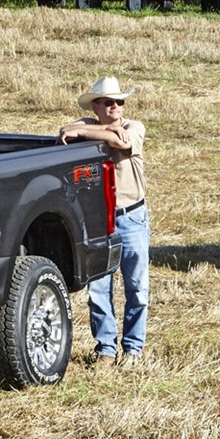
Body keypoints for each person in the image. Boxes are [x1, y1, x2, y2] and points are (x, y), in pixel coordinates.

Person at [60, 76, 148, 364]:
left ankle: (133, 349)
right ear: (96, 106)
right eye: (109, 102)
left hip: (131, 215)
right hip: (99, 220)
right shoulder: (87, 124)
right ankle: (106, 349)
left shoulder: (134, 127)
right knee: (98, 288)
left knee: (136, 286)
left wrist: (87, 131)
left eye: (119, 102)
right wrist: (90, 130)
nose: (116, 107)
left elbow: (119, 140)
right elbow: (64, 131)